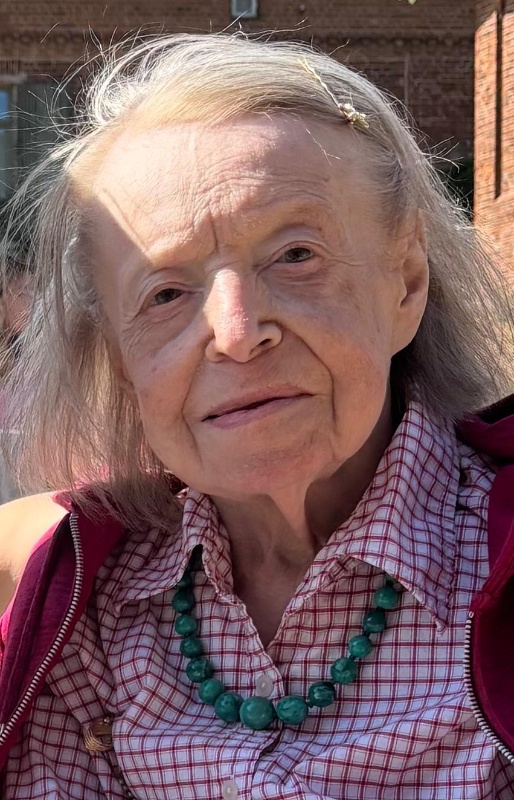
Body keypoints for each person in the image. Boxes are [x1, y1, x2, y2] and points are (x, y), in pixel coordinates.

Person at [0, 32, 514, 799]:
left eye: (295, 256)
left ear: (405, 284)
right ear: (118, 359)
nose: (237, 332)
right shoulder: (90, 609)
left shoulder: (498, 556)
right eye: (165, 294)